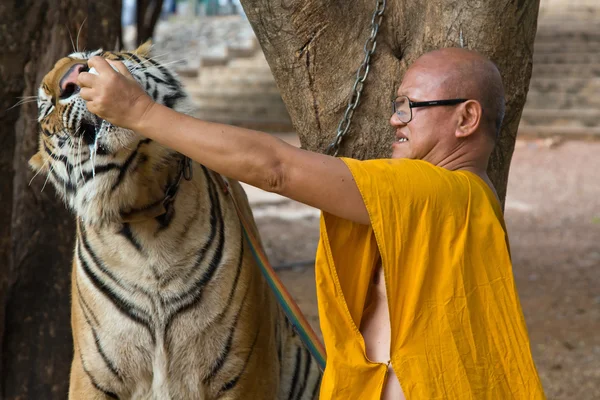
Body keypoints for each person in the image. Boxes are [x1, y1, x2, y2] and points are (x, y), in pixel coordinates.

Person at [78, 47, 546, 399]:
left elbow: (275, 168)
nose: (394, 120)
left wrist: (138, 112)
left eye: (410, 107)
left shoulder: (437, 192)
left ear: (466, 118)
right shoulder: (462, 204)